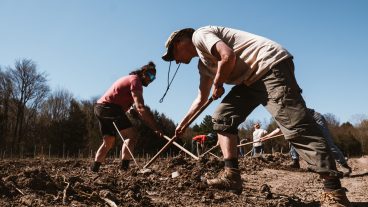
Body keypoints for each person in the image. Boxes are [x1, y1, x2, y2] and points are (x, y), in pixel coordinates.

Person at [162, 26, 350, 205]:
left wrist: (218, 82)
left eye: (173, 56)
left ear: (179, 42)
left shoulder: (200, 35)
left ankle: (334, 192)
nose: (176, 61)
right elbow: (201, 98)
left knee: (295, 126)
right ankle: (231, 175)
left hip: (269, 66)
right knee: (222, 117)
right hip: (249, 80)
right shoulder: (203, 66)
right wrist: (183, 123)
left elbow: (227, 56)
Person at [91, 61, 163, 172]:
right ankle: (124, 170)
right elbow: (140, 107)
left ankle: (94, 169)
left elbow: (127, 104)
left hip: (100, 108)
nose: (151, 80)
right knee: (131, 135)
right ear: (143, 72)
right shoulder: (136, 80)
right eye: (150, 75)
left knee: (108, 141)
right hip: (110, 108)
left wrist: (131, 111)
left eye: (154, 78)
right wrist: (156, 128)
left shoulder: (130, 79)